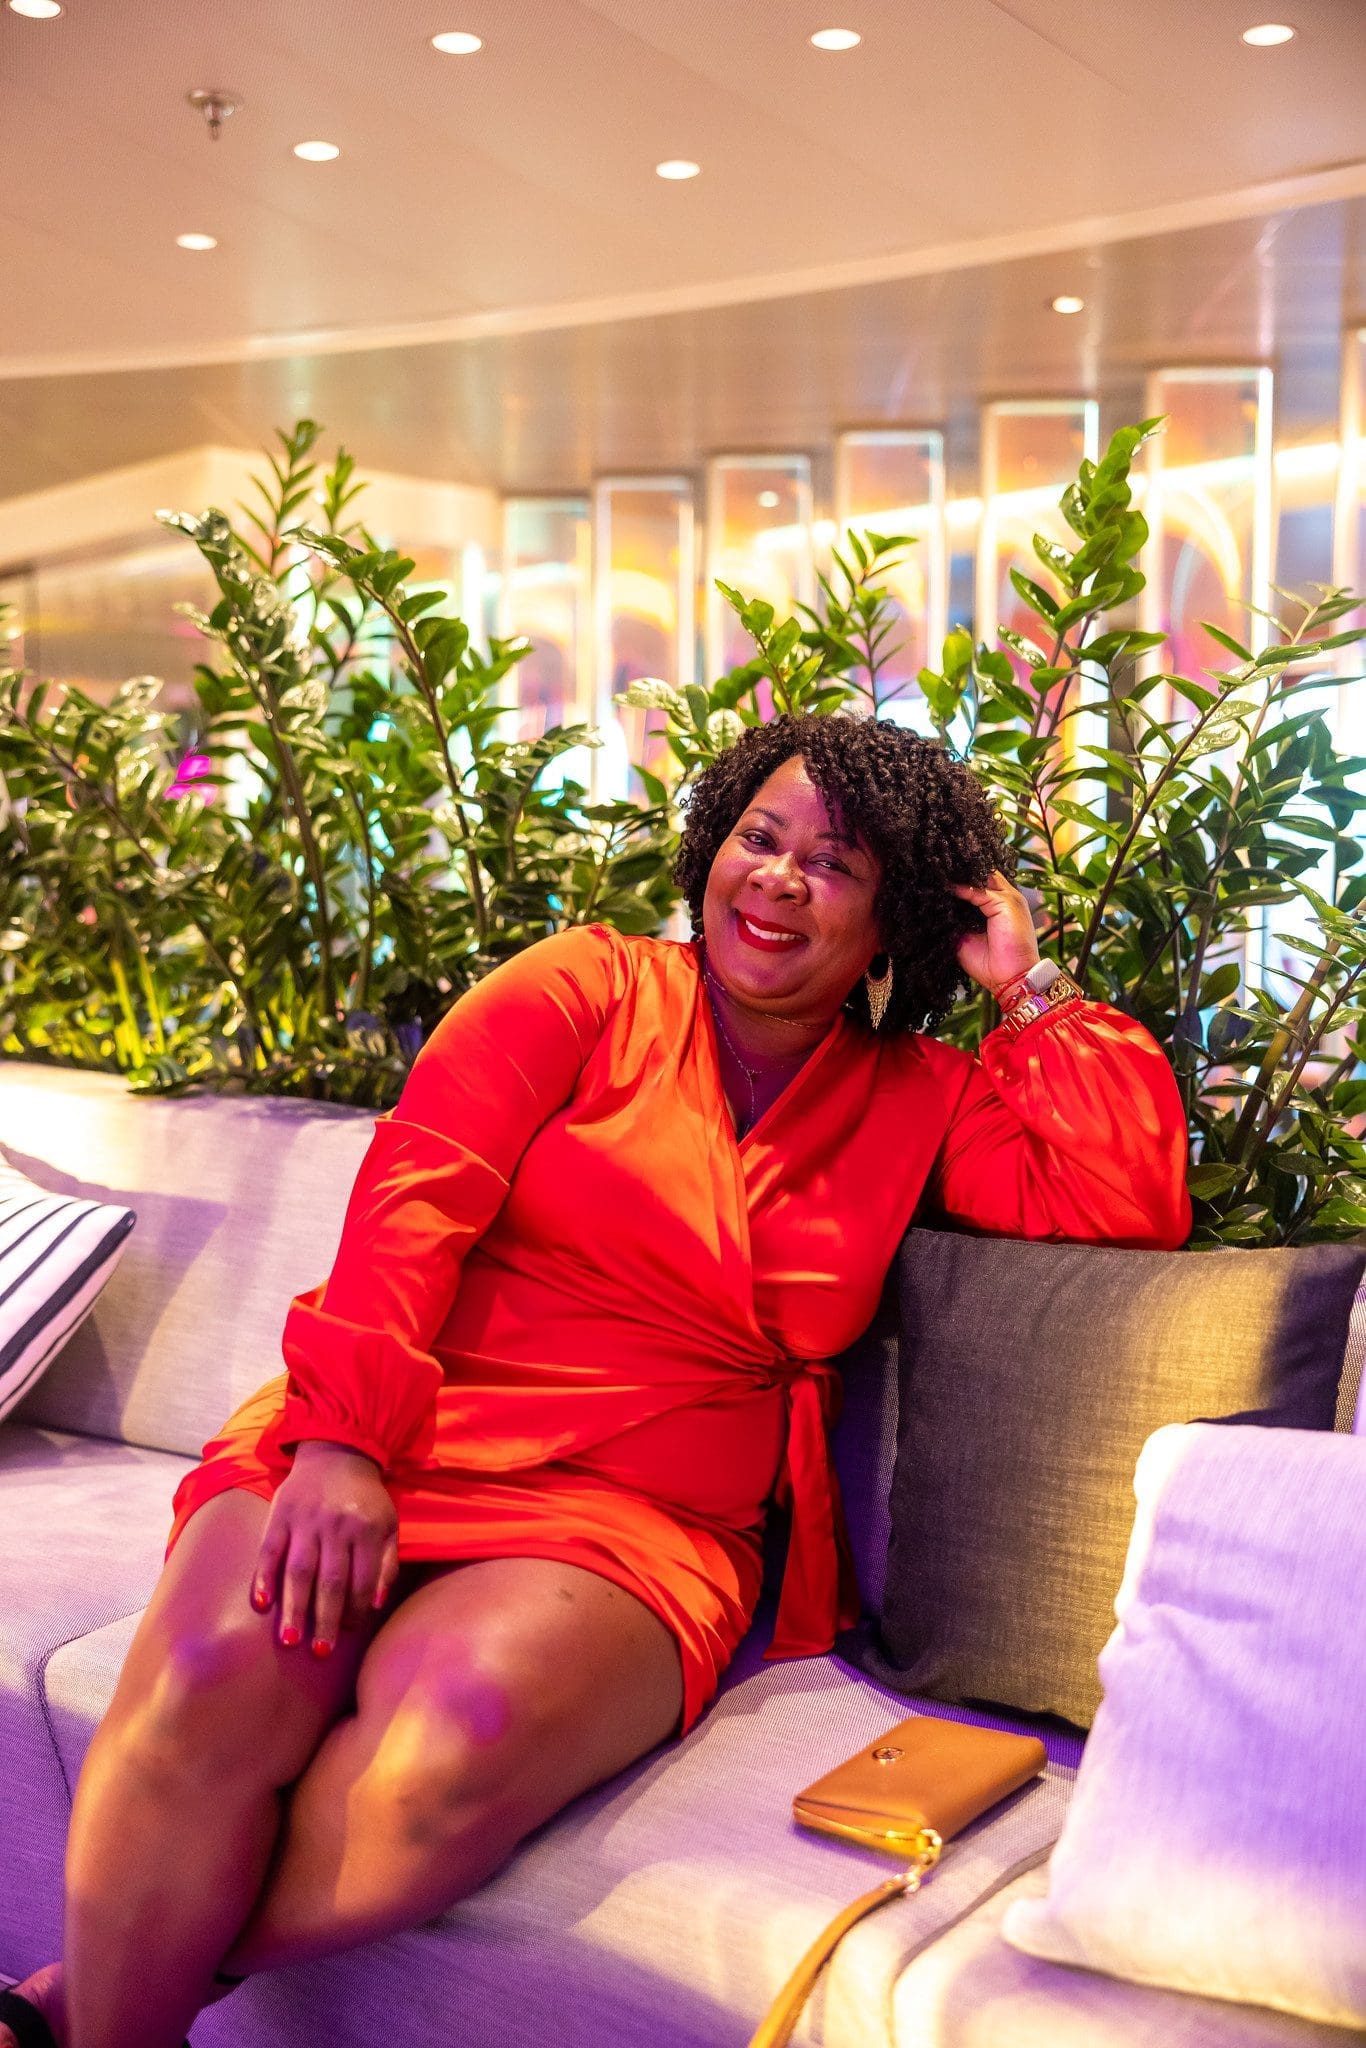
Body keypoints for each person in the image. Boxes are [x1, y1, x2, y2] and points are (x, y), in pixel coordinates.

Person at [1, 714, 1189, 2048]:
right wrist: (342, 1444)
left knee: (445, 1754)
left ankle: (83, 2002)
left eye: (835, 864)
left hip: (640, 1515)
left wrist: (1023, 985)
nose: (778, 876)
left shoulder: (921, 1095)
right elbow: (413, 1198)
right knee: (211, 1672)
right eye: (759, 836)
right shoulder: (584, 984)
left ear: (894, 920)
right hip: (409, 1416)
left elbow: (1119, 1201)